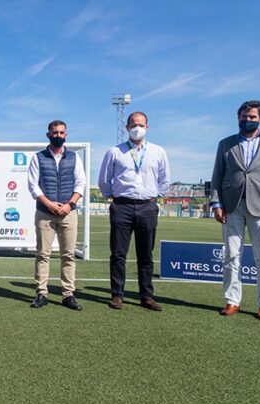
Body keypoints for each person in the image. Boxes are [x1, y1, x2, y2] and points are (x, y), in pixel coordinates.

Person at [210, 100, 260, 321]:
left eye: (252, 117)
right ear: (238, 118)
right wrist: (216, 204)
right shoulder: (225, 144)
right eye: (244, 117)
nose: (248, 120)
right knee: (230, 256)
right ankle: (232, 301)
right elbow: (217, 176)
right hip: (231, 207)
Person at [98, 112, 170, 311]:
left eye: (141, 124)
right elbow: (104, 180)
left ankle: (147, 296)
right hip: (122, 206)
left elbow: (165, 179)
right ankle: (117, 295)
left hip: (148, 206)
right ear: (127, 127)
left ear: (147, 126)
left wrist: (154, 196)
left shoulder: (158, 151)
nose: (137, 127)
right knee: (118, 253)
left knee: (146, 254)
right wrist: (114, 197)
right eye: (133, 124)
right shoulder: (114, 152)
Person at [27, 120, 86, 310]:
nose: (58, 135)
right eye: (54, 132)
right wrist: (50, 204)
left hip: (68, 213)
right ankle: (41, 293)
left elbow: (80, 184)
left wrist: (69, 205)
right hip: (45, 213)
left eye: (61, 133)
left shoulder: (74, 157)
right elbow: (33, 186)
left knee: (68, 255)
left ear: (66, 135)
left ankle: (68, 294)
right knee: (43, 254)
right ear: (48, 135)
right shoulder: (38, 157)